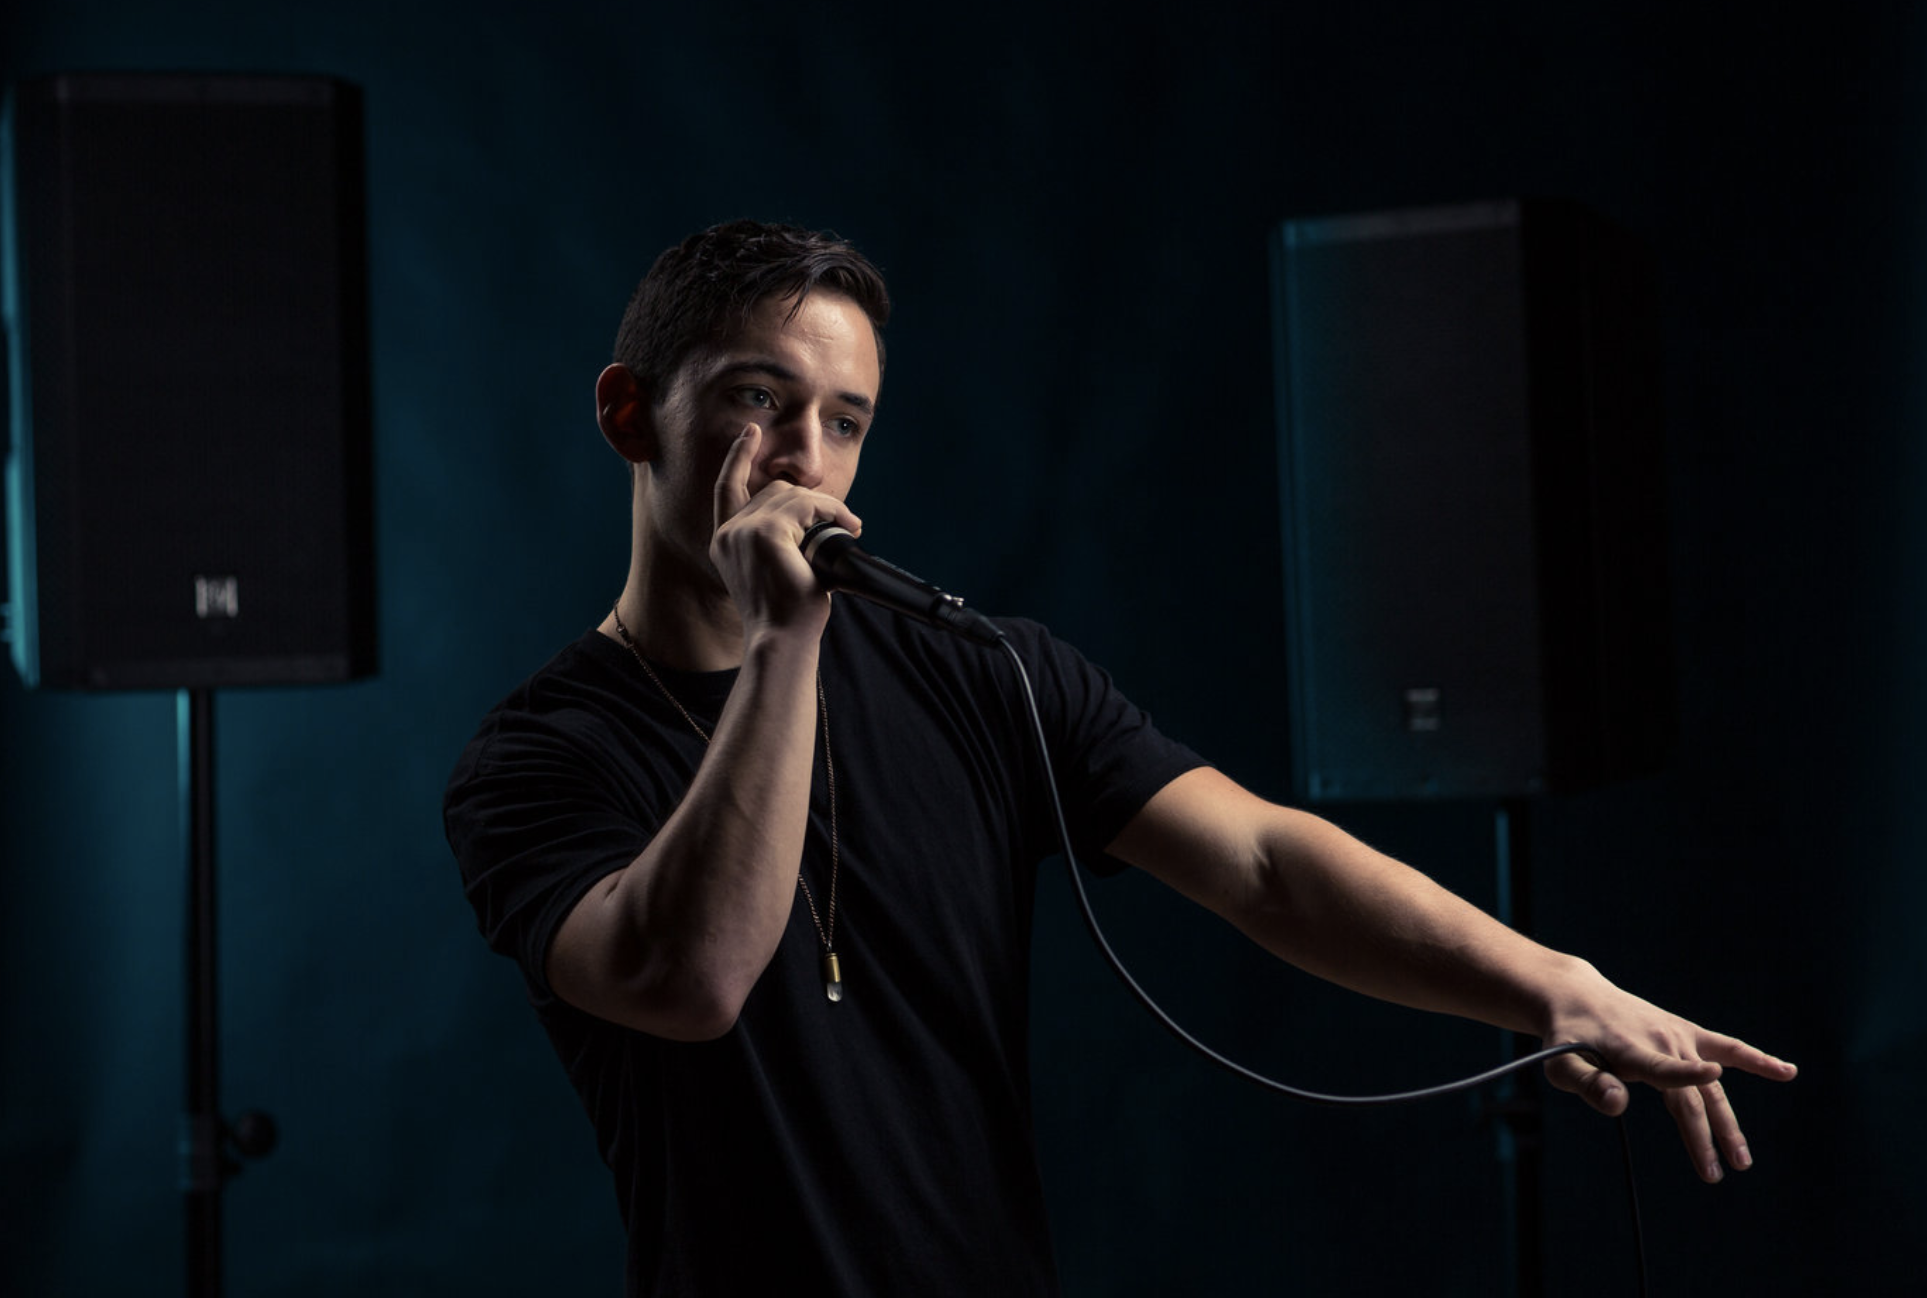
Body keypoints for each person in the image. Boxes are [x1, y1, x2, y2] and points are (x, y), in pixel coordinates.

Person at [443, 220, 1795, 1296]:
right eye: (757, 397)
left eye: (845, 420)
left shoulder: (984, 674)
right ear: (632, 413)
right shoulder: (540, 757)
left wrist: (1549, 985)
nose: (808, 459)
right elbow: (690, 982)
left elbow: (1264, 863)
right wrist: (785, 645)